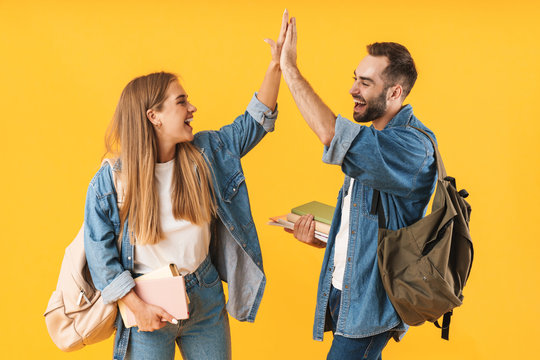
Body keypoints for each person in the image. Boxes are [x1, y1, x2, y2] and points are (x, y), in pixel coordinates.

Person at [83, 11, 289, 360]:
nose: (192, 108)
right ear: (154, 117)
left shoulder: (206, 152)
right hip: (146, 301)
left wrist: (277, 66)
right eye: (181, 103)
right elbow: (99, 253)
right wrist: (137, 307)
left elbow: (255, 122)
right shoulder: (113, 177)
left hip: (204, 294)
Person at [279, 17, 438, 360]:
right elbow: (370, 230)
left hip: (369, 304)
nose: (353, 89)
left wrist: (289, 70)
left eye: (365, 83)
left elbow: (331, 135)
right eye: (355, 78)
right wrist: (321, 237)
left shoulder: (411, 147)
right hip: (345, 292)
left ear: (395, 92)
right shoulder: (376, 140)